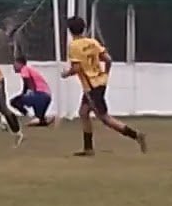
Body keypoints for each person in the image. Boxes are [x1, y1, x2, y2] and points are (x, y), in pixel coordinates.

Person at [62, 16, 147, 156]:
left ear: (70, 30)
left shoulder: (74, 46)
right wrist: (105, 74)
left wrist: (66, 74)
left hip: (91, 86)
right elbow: (108, 59)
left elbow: (76, 68)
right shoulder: (92, 42)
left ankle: (136, 135)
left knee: (105, 118)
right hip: (99, 82)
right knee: (83, 112)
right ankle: (88, 148)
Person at [11, 56, 55, 126]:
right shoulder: (29, 69)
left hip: (40, 95)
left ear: (20, 64)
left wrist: (30, 93)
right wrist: (24, 94)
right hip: (47, 96)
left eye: (15, 64)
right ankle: (42, 119)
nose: (13, 66)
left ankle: (28, 117)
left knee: (14, 101)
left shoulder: (24, 69)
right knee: (39, 119)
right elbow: (27, 84)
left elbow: (27, 81)